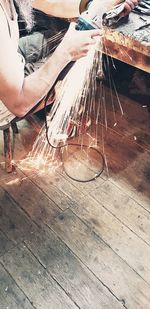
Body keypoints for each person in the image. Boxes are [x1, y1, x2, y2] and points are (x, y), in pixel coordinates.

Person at [0, 0, 140, 125]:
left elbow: (46, 2)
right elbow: (19, 104)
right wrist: (66, 52)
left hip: (10, 54)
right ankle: (55, 114)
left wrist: (96, 5)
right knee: (71, 66)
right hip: (11, 102)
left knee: (56, 37)